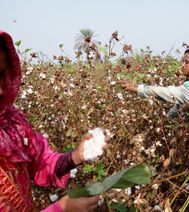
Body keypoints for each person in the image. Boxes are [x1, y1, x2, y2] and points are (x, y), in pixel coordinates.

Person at [0, 31, 110, 211]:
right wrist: (61, 209)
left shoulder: (11, 122)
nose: (1, 91)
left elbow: (40, 162)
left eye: (1, 74)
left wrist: (76, 156)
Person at [118, 49, 189, 118]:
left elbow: (164, 92)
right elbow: (178, 107)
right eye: (183, 61)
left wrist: (137, 88)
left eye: (186, 62)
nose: (182, 65)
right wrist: (166, 120)